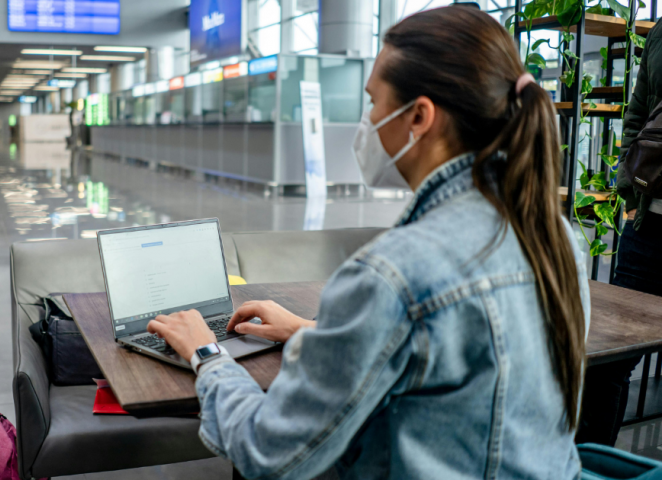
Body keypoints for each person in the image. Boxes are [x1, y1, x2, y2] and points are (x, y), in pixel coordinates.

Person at [145, 7, 590, 479]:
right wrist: (312, 330)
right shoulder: (555, 237)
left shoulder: (393, 273)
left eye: (373, 101)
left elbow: (267, 450)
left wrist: (206, 353)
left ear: (419, 116)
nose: (369, 120)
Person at [576, 20, 662, 447]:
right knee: (610, 361)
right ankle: (594, 469)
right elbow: (638, 112)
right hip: (650, 226)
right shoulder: (661, 31)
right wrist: (629, 195)